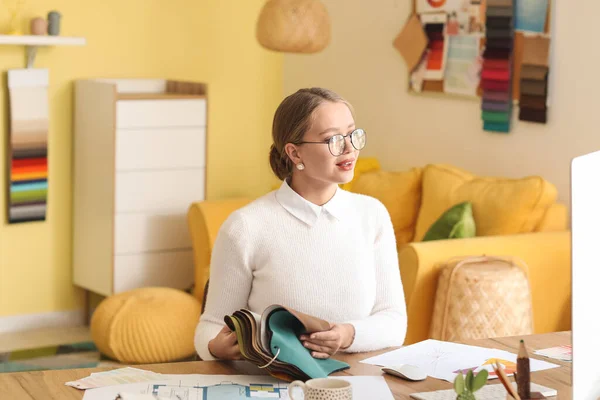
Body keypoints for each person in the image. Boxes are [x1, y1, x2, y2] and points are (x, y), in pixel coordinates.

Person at [194, 87, 407, 361]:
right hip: (274, 383)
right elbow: (209, 327)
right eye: (333, 139)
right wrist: (215, 348)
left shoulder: (372, 214)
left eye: (352, 134)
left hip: (358, 380)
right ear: (295, 154)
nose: (349, 148)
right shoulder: (245, 227)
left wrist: (346, 334)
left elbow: (394, 322)